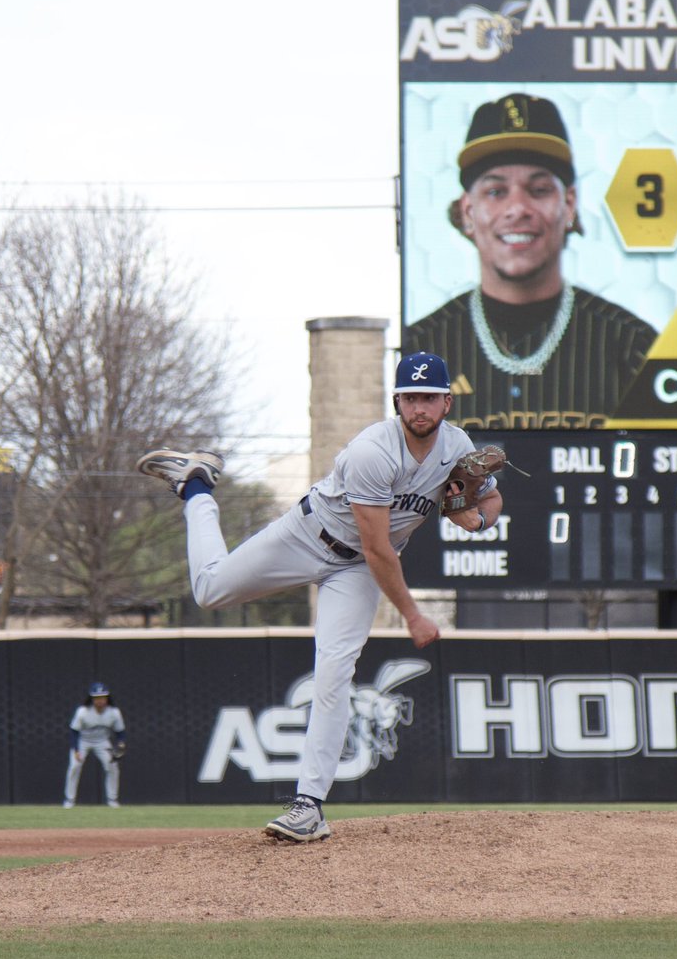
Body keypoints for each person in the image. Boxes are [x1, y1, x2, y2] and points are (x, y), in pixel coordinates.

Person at [136, 351, 503, 843]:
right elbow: (377, 548)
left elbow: (491, 499)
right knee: (209, 590)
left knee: (334, 673)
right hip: (309, 536)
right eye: (410, 397)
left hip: (354, 572)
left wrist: (476, 518)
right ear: (396, 400)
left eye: (429, 397)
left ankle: (308, 806)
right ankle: (196, 484)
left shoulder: (456, 447)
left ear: (447, 402)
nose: (420, 407)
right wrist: (413, 615)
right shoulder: (373, 450)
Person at [402, 92, 658, 431]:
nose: (517, 208)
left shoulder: (632, 345)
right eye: (495, 192)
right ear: (468, 212)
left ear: (568, 205)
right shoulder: (421, 349)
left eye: (538, 189)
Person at [63, 681, 127, 809]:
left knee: (112, 766)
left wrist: (121, 744)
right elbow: (74, 731)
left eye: (102, 697)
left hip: (102, 741)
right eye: (97, 698)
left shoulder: (114, 712)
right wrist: (76, 750)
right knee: (75, 766)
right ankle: (69, 800)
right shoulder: (83, 711)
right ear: (92, 699)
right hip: (83, 741)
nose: (100, 700)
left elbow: (120, 732)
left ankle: (112, 799)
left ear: (107, 698)